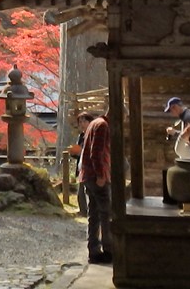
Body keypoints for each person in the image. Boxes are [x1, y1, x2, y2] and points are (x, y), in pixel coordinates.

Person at [79, 109, 113, 265]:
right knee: (106, 213)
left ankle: (93, 251)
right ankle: (109, 249)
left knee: (94, 214)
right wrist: (101, 175)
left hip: (88, 175)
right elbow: (96, 152)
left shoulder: (95, 123)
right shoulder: (103, 125)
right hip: (96, 176)